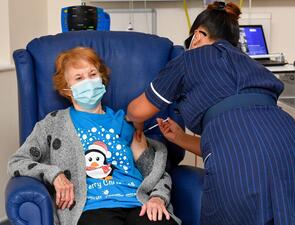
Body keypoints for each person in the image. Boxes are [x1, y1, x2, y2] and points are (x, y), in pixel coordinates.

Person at [126, 1, 295, 225]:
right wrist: (180, 138)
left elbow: (138, 110)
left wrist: (133, 123)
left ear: (198, 35)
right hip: (290, 144)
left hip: (238, 160)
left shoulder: (189, 59)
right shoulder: (252, 64)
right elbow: (243, 137)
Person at [7, 47, 181, 225]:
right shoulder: (53, 124)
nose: (88, 82)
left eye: (92, 74)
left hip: (138, 203)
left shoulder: (124, 122)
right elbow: (17, 162)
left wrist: (158, 197)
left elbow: (154, 170)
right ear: (67, 89)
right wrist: (55, 174)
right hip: (92, 208)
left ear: (102, 79)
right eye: (79, 78)